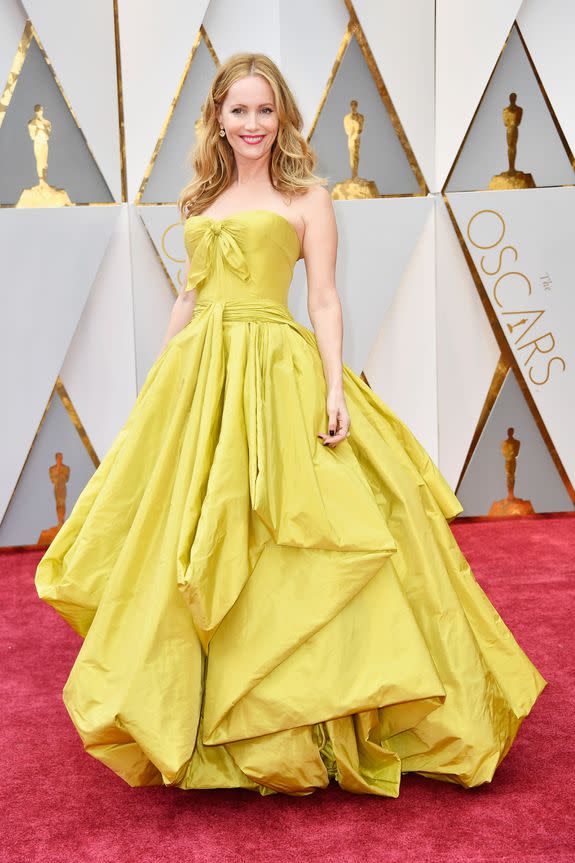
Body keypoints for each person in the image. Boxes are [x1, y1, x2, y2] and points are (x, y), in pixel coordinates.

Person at [35, 52, 547, 798]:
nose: (250, 124)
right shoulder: (198, 201)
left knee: (298, 537)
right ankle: (212, 718)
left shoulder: (307, 197)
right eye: (237, 110)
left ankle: (319, 723)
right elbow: (189, 294)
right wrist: (163, 383)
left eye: (264, 110)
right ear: (216, 116)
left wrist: (335, 387)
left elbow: (326, 300)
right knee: (199, 536)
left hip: (278, 367)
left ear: (283, 119)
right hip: (201, 374)